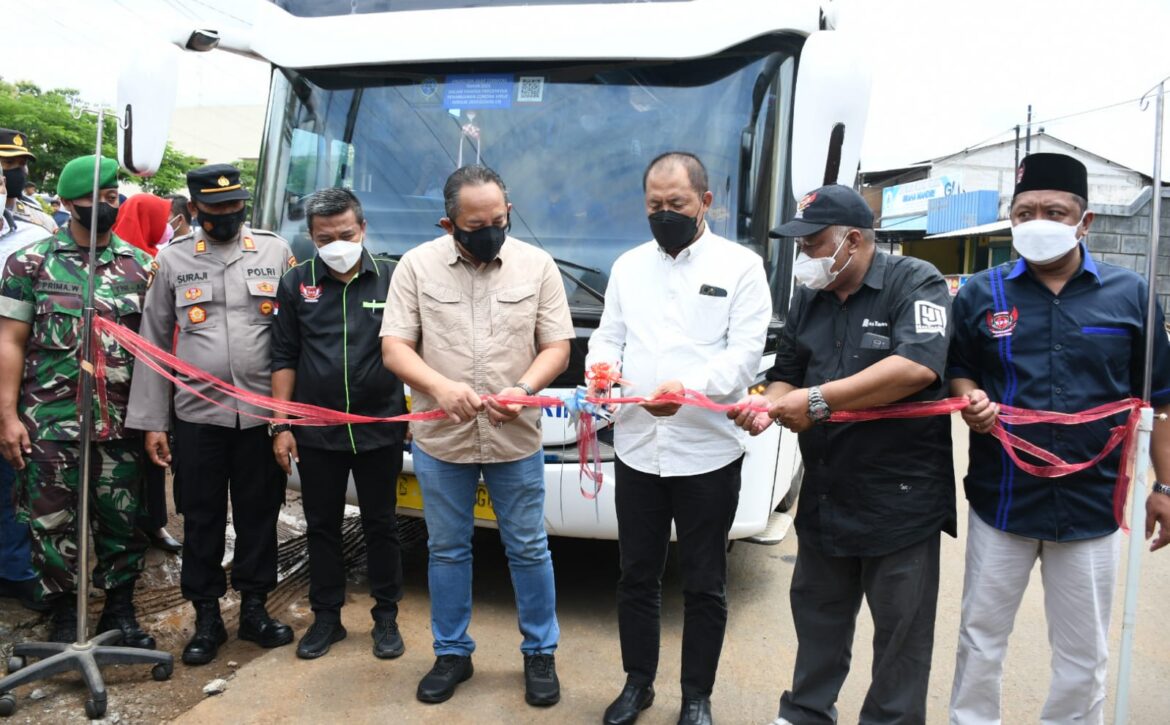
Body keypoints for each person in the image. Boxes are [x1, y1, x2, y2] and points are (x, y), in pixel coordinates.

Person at [946, 153, 1170, 724]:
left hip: (1094, 505)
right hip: (1002, 498)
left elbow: (1162, 403)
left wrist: (1165, 486)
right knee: (980, 640)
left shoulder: (1131, 295)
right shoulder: (981, 293)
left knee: (1083, 653)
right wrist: (972, 399)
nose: (1037, 220)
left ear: (1084, 220)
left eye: (1054, 210)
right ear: (1010, 218)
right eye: (1024, 211)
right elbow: (960, 369)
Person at [731, 184, 955, 725]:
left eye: (812, 244)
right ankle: (805, 713)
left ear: (852, 240)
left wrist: (815, 400)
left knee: (901, 635)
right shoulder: (810, 296)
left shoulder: (915, 282)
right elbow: (786, 375)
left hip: (900, 499)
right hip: (828, 491)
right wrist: (767, 407)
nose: (803, 256)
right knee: (818, 617)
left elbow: (916, 368)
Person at [586, 152, 772, 725]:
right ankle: (637, 684)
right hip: (639, 448)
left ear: (705, 203)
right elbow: (607, 337)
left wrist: (686, 388)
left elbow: (743, 357)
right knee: (636, 575)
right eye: (654, 205)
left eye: (677, 204)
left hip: (707, 452)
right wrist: (600, 375)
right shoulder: (628, 267)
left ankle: (696, 696)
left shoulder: (741, 267)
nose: (664, 214)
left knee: (704, 582)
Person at [381, 165, 574, 707]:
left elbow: (557, 345)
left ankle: (540, 653)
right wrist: (439, 387)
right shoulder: (416, 268)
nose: (490, 230)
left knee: (529, 547)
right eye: (476, 224)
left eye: (499, 220)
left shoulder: (537, 266)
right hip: (442, 438)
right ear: (450, 224)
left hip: (516, 438)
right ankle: (451, 653)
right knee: (446, 549)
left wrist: (524, 387)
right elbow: (395, 346)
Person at [126, 163, 295, 665]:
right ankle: (206, 618)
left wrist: (287, 417)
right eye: (216, 207)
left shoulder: (274, 251)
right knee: (200, 518)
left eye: (234, 205)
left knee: (259, 515)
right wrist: (154, 421)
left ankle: (255, 610)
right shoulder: (173, 261)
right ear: (195, 208)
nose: (227, 215)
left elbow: (290, 339)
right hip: (198, 417)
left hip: (261, 417)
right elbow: (154, 344)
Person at [0, 155, 156, 646]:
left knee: (122, 522)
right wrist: (6, 414)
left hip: (121, 423)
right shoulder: (30, 262)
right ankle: (65, 612)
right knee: (50, 522)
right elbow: (10, 341)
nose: (105, 208)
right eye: (94, 200)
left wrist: (155, 421)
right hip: (49, 423)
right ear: (68, 204)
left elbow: (154, 351)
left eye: (112, 199)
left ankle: (120, 609)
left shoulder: (141, 267)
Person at [270, 188, 408, 661]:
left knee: (382, 524)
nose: (337, 243)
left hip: (382, 429)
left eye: (346, 234)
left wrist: (411, 411)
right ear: (311, 238)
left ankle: (386, 617)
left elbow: (417, 349)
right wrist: (281, 424)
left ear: (363, 228)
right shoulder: (296, 284)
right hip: (317, 433)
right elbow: (284, 356)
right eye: (325, 237)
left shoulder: (394, 278)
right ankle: (326, 618)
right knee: (321, 526)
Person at [0, 128, 55, 614]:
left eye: (9, 170)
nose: (13, 175)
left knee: (12, 474)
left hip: (11, 368)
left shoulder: (35, 235)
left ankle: (16, 569)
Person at [111, 193, 182, 555]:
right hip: (115, 383)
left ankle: (153, 523)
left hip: (154, 378)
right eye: (162, 218)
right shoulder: (125, 263)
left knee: (153, 454)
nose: (167, 225)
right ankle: (119, 529)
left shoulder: (154, 261)